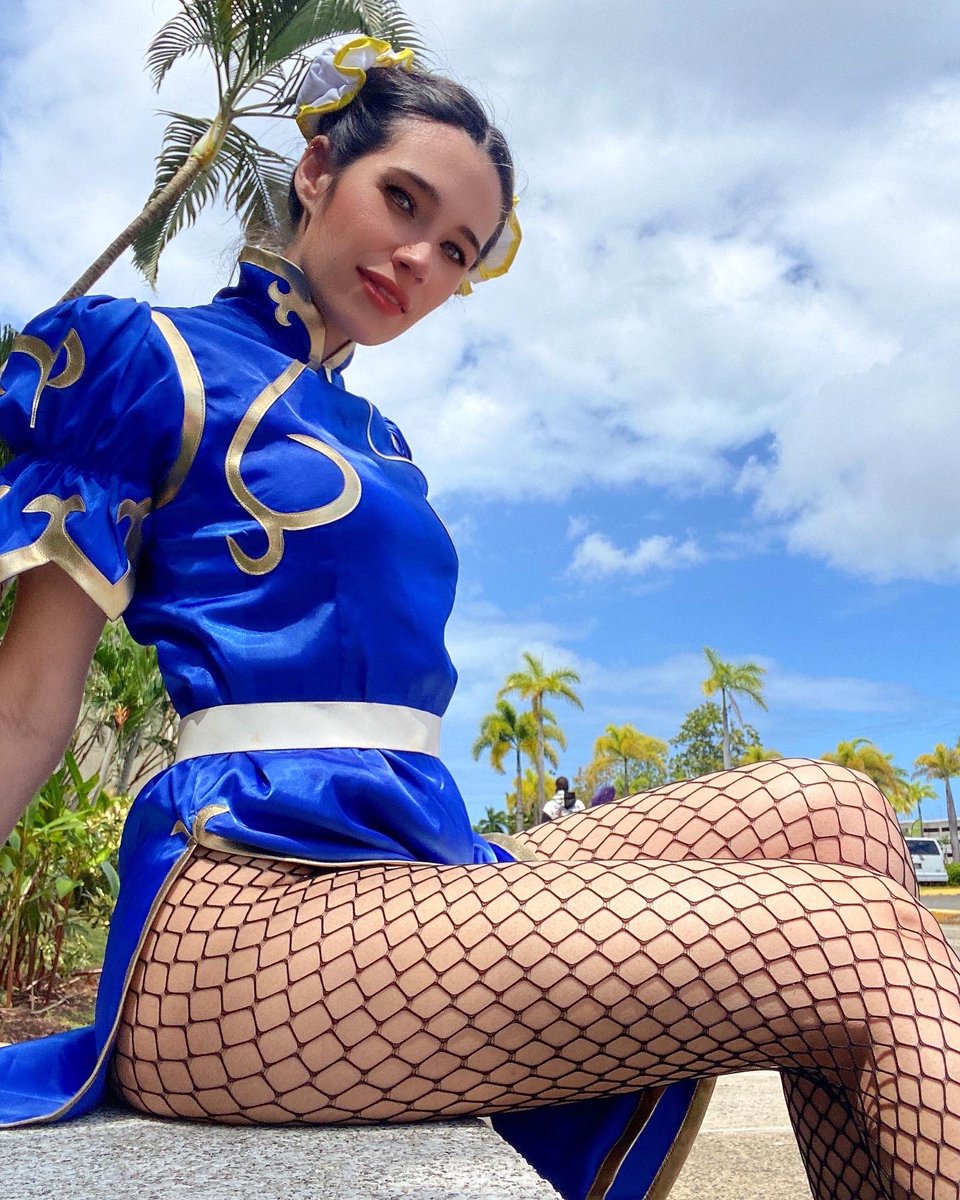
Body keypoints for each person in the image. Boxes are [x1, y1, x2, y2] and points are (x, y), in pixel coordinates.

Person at [1, 34, 959, 1200]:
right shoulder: (147, 356)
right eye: (402, 200)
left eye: (457, 248)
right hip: (241, 910)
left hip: (408, 866)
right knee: (860, 942)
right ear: (318, 169)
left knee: (838, 816)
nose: (420, 258)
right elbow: (27, 711)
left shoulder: (380, 440)